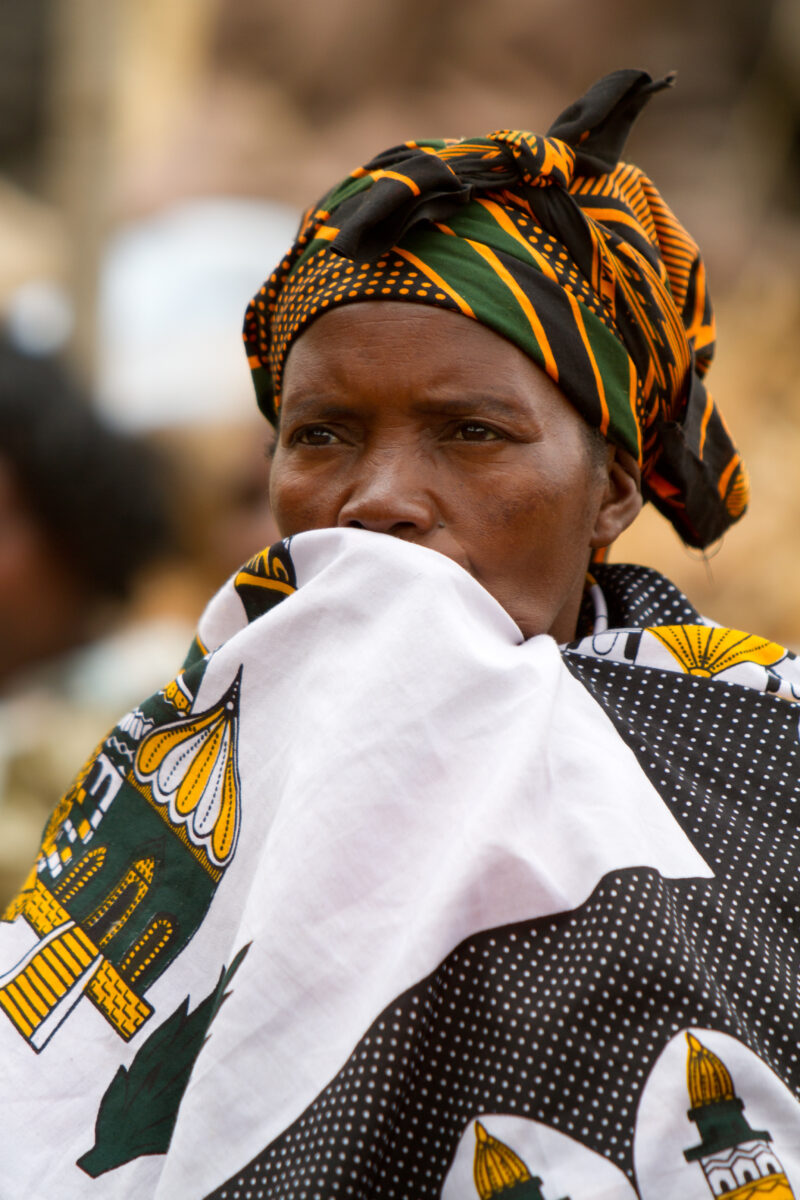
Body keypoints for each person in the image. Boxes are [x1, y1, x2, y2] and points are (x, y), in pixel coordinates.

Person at [1, 69, 798, 1199]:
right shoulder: (175, 777)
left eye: (470, 432)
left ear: (613, 487)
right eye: (319, 434)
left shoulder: (762, 772)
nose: (376, 498)